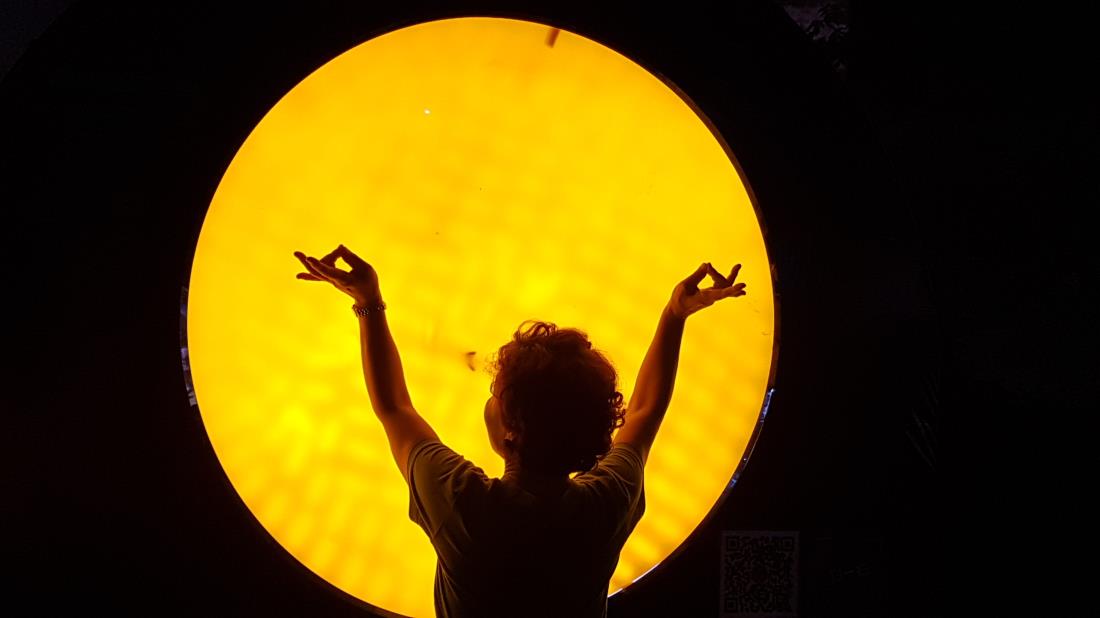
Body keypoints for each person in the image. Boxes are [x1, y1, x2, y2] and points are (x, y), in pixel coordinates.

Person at [294, 245, 747, 618]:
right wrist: (674, 315)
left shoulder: (462, 505)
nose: (488, 398)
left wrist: (368, 302)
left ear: (511, 431)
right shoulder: (605, 507)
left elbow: (394, 408)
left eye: (496, 393)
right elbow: (645, 412)